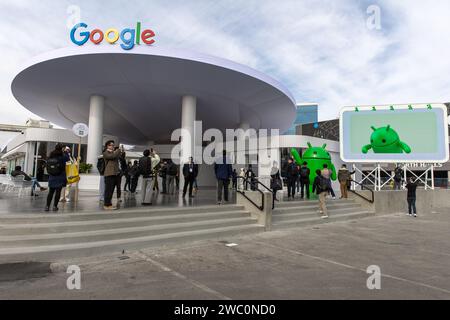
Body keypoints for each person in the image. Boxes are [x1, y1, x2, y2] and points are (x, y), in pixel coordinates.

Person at [45, 143, 70, 212]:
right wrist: (66, 152)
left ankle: (47, 206)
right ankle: (55, 206)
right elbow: (68, 159)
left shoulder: (51, 155)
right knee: (58, 192)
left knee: (51, 192)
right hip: (60, 175)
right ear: (62, 148)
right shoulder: (63, 156)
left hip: (52, 176)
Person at [102, 140, 122, 210]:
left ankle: (109, 204)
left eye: (113, 145)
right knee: (108, 190)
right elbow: (112, 156)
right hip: (109, 174)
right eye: (111, 145)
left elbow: (118, 157)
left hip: (115, 174)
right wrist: (118, 150)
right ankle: (106, 205)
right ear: (107, 146)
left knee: (111, 190)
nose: (113, 146)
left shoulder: (114, 153)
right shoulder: (105, 153)